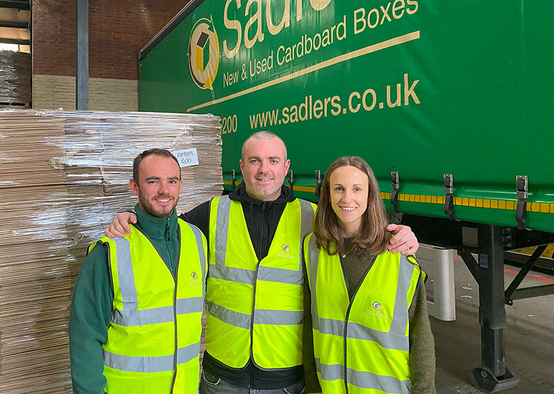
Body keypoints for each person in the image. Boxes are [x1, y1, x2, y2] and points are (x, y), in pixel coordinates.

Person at [104, 132, 420, 393]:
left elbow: (358, 238)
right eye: (255, 160)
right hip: (223, 377)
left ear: (286, 167)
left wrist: (401, 234)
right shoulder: (212, 214)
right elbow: (164, 228)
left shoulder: (312, 219)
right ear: (241, 166)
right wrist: (130, 218)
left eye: (272, 161)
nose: (263, 169)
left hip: (285, 380)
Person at [68, 149, 208, 393]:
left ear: (180, 185)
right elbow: (85, 336)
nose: (164, 190)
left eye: (171, 181)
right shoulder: (109, 252)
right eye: (153, 181)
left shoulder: (197, 240)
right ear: (134, 187)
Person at [302, 156, 435, 393]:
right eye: (339, 189)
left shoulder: (398, 252)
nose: (347, 198)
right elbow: (310, 326)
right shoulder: (314, 249)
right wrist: (312, 386)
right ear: (328, 195)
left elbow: (421, 338)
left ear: (370, 195)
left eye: (357, 189)